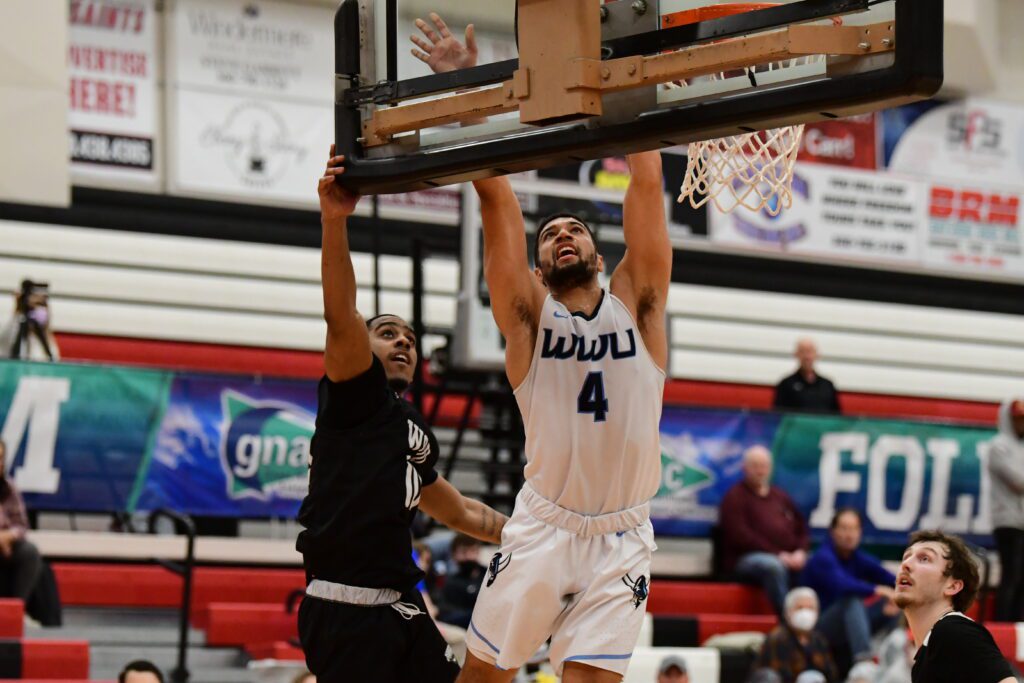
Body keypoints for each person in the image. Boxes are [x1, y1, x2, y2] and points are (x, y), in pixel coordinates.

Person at [411, 14, 672, 681]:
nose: (561, 233)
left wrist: (630, 71)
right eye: (549, 231)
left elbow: (646, 181)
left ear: (597, 249)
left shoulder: (637, 303)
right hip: (543, 527)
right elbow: (495, 195)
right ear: (537, 262)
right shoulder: (528, 318)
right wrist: (463, 90)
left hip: (624, 534)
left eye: (574, 228)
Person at [295, 147, 509, 683]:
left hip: (400, 605)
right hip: (344, 609)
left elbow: (457, 511)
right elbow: (340, 313)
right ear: (363, 348)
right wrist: (334, 221)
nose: (403, 343)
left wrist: (532, 535)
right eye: (387, 333)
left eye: (410, 338)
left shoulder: (409, 427)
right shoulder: (354, 396)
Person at [893, 530, 1014, 683]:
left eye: (924, 558)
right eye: (906, 557)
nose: (906, 564)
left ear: (952, 586)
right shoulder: (929, 651)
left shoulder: (954, 631)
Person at [719, 445, 809, 614]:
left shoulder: (780, 496)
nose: (760, 470)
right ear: (744, 468)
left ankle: (818, 623)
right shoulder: (735, 497)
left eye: (764, 466)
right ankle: (788, 621)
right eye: (755, 465)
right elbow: (741, 537)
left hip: (787, 556)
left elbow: (801, 527)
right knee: (773, 566)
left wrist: (800, 551)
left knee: (818, 564)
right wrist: (778, 554)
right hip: (746, 560)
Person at [802, 508, 897, 662]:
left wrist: (905, 590)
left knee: (897, 602)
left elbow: (886, 576)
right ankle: (864, 661)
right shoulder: (822, 558)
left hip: (850, 627)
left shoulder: (857, 557)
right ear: (832, 532)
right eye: (844, 528)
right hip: (819, 629)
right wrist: (877, 589)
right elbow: (842, 585)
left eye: (854, 529)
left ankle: (891, 659)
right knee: (851, 601)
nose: (849, 534)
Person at [988, 397, 1024, 622]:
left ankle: (1018, 627)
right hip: (1008, 522)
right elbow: (1018, 481)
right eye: (1018, 419)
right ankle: (1001, 627)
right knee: (1011, 576)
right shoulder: (998, 446)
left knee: (1022, 579)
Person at [755, 587, 840, 683]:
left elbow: (832, 674)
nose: (805, 613)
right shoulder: (777, 639)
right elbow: (780, 675)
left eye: (810, 608)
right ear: (788, 612)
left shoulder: (819, 640)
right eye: (800, 608)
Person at [0, 439, 42, 602]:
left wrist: (6, 537)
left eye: (1, 458)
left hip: (4, 546)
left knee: (28, 551)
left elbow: (21, 526)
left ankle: (15, 610)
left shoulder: (8, 488)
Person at [772, 338, 839, 414]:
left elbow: (837, 417)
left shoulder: (827, 385)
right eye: (802, 352)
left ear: (817, 355)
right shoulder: (786, 384)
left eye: (810, 351)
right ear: (796, 354)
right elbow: (778, 416)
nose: (807, 356)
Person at [0, 280, 60, 361]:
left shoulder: (45, 342)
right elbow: (6, 338)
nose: (39, 310)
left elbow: (53, 359)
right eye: (36, 305)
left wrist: (45, 327)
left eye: (43, 305)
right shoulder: (12, 328)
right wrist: (19, 308)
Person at [437, 533, 485, 629]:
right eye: (463, 552)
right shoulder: (450, 583)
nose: (469, 557)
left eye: (473, 551)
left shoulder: (489, 576)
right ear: (454, 555)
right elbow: (446, 613)